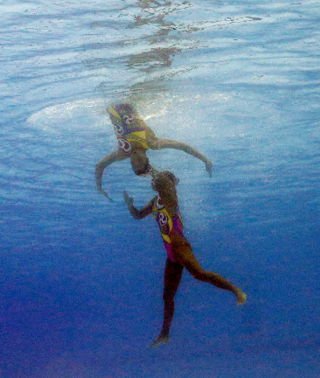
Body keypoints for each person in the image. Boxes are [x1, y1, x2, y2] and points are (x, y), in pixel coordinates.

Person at [123, 171, 246, 347]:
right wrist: (129, 204)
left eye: (159, 179)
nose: (154, 180)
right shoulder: (154, 201)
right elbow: (137, 215)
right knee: (167, 296)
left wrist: (149, 168)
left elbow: (163, 180)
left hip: (181, 247)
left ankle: (238, 292)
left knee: (199, 274)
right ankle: (164, 335)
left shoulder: (170, 197)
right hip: (171, 255)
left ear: (168, 183)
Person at [96, 104, 212, 200]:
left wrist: (99, 188)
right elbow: (182, 146)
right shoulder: (152, 143)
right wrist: (205, 160)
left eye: (133, 165)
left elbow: (100, 166)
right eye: (139, 163)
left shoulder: (123, 153)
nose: (135, 161)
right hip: (131, 100)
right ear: (147, 160)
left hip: (112, 105)